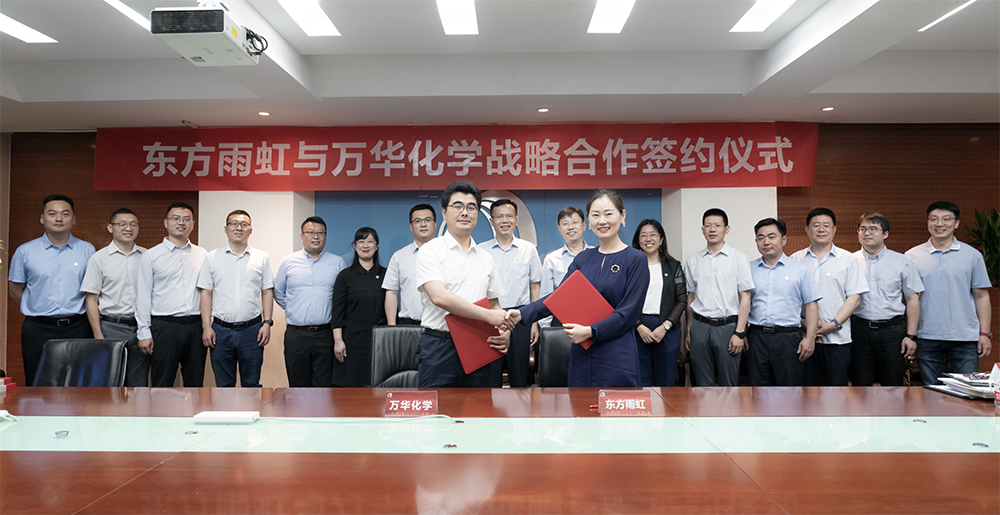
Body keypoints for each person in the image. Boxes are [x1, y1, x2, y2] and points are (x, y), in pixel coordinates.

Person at [507, 189, 650, 387]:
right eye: (595, 215)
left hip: (616, 352)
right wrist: (522, 314)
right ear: (589, 221)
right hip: (582, 351)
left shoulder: (635, 259)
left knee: (614, 406)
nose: (602, 221)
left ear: (622, 215)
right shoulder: (583, 259)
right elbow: (559, 298)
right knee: (580, 405)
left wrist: (592, 331)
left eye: (608, 214)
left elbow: (628, 314)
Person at [415, 180, 510, 388]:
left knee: (478, 406)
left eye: (471, 207)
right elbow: (439, 297)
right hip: (439, 346)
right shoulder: (430, 251)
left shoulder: (486, 257)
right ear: (444, 212)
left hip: (479, 343)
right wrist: (487, 316)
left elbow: (494, 304)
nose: (465, 213)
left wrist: (504, 331)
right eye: (457, 206)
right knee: (437, 408)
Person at [8, 194, 95, 385]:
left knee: (78, 384)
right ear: (42, 218)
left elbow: (93, 290)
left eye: (65, 214)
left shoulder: (88, 250)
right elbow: (15, 288)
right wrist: (34, 307)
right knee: (37, 382)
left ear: (73, 219)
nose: (59, 218)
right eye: (52, 213)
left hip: (78, 327)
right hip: (38, 328)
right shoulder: (25, 251)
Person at [905, 201, 992, 385]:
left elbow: (981, 296)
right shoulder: (911, 256)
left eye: (946, 219)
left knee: (966, 392)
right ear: (928, 222)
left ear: (956, 223)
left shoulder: (972, 255)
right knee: (931, 393)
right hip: (926, 337)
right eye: (934, 219)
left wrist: (984, 334)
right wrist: (911, 334)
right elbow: (909, 299)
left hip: (965, 337)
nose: (939, 224)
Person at [790, 208, 868, 386]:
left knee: (837, 390)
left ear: (834, 230)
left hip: (837, 339)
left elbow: (854, 298)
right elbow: (789, 299)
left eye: (826, 225)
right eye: (816, 225)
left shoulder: (848, 259)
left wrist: (833, 324)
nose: (821, 229)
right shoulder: (795, 259)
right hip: (803, 338)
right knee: (806, 391)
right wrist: (804, 323)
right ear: (807, 229)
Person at [197, 210, 274, 388]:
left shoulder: (261, 258)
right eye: (234, 224)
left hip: (253, 331)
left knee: (251, 385)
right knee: (224, 387)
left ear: (250, 230)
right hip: (220, 331)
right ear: (226, 229)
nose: (239, 228)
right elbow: (206, 293)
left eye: (244, 224)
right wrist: (206, 327)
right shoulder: (212, 257)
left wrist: (267, 323)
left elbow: (267, 291)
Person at [136, 202, 208, 387]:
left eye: (186, 219)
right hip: (164, 327)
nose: (181, 223)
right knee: (162, 383)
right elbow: (143, 296)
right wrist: (144, 332)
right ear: (166, 223)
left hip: (196, 326)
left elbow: (208, 292)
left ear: (193, 224)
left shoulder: (202, 254)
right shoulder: (151, 256)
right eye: (175, 218)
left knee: (195, 383)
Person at [683, 208, 754, 387]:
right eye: (708, 225)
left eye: (717, 225)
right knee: (701, 383)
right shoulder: (692, 261)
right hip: (700, 326)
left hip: (728, 327)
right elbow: (691, 298)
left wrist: (740, 332)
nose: (712, 229)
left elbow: (745, 298)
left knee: (729, 383)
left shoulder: (739, 259)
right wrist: (690, 330)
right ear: (702, 230)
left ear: (726, 229)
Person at [747, 218, 822, 386]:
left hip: (788, 339)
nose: (766, 242)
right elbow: (742, 303)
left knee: (789, 390)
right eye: (761, 238)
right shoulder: (748, 269)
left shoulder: (800, 269)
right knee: (758, 390)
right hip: (756, 337)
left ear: (784, 239)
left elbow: (811, 304)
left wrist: (810, 338)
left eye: (772, 236)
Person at [273, 216, 346, 387]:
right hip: (296, 335)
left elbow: (342, 298)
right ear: (301, 236)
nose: (316, 237)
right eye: (311, 232)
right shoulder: (287, 262)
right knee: (297, 386)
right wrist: (294, 307)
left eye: (321, 233)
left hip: (326, 334)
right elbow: (278, 292)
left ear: (326, 236)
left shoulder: (337, 262)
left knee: (324, 387)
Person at [851, 212, 923, 386]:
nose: (867, 233)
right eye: (863, 229)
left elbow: (913, 299)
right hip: (858, 329)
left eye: (873, 229)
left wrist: (911, 335)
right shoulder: (850, 261)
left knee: (893, 385)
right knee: (859, 385)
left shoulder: (902, 261)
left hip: (891, 331)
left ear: (885, 234)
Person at [80, 207, 147, 386]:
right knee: (111, 383)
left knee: (138, 383)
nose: (128, 228)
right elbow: (91, 300)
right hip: (111, 327)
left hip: (141, 328)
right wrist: (98, 334)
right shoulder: (99, 258)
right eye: (122, 224)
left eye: (133, 224)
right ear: (110, 227)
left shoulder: (147, 256)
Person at [479, 199, 542, 387]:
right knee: (491, 375)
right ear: (491, 221)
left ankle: (521, 407)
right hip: (491, 317)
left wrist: (534, 322)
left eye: (509, 216)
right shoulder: (481, 251)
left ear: (516, 220)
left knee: (520, 375)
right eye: (499, 216)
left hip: (521, 317)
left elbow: (535, 286)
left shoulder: (528, 249)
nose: (504, 220)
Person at [632, 219, 686, 387]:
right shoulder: (630, 266)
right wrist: (638, 326)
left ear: (661, 240)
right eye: (643, 235)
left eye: (653, 235)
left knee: (666, 382)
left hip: (667, 329)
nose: (648, 239)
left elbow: (682, 300)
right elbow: (622, 300)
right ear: (638, 241)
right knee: (640, 382)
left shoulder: (673, 266)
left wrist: (666, 326)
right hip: (637, 329)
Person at [332, 227, 387, 387]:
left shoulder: (386, 274)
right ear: (355, 246)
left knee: (379, 386)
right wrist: (338, 341)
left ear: (377, 245)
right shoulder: (345, 276)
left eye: (370, 241)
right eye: (361, 241)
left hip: (379, 340)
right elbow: (337, 312)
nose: (366, 245)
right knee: (352, 388)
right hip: (352, 341)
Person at [539, 206, 592, 328]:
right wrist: (546, 328)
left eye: (574, 222)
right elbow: (546, 295)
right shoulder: (551, 259)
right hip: (561, 319)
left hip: (593, 318)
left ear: (584, 225)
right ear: (559, 228)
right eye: (565, 224)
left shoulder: (597, 254)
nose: (570, 227)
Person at [384, 204, 437, 326]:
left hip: (441, 324)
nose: (423, 224)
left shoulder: (447, 253)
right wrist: (392, 327)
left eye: (427, 220)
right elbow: (391, 292)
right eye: (417, 221)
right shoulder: (399, 256)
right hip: (408, 324)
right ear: (411, 227)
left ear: (435, 224)